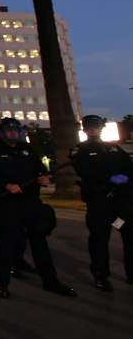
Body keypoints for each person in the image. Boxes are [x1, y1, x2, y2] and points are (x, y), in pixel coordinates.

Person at [0, 117, 76, 299]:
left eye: (16, 129)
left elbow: (39, 169)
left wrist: (43, 178)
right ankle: (2, 282)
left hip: (30, 202)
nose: (13, 133)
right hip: (6, 204)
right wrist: (5, 184)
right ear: (1, 133)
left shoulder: (27, 150)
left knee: (39, 241)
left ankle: (50, 281)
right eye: (8, 130)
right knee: (6, 243)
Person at [71, 114, 133, 291]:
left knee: (129, 235)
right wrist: (110, 179)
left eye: (96, 127)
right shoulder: (80, 150)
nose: (93, 130)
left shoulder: (113, 148)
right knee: (100, 240)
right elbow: (86, 171)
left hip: (120, 204)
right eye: (90, 127)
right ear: (84, 129)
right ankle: (101, 275)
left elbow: (128, 168)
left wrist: (125, 179)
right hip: (99, 203)